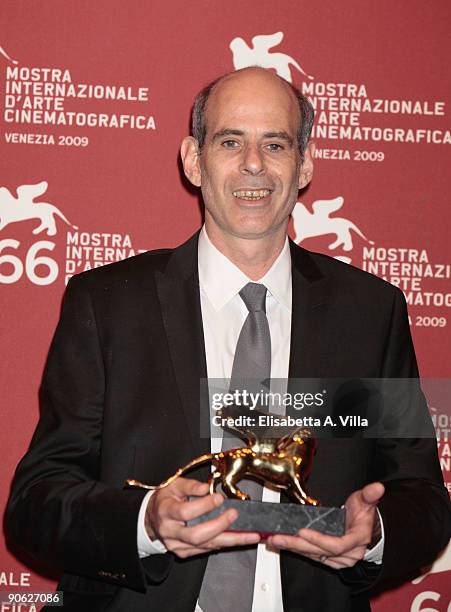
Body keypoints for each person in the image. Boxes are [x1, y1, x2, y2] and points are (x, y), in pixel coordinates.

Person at [5, 67, 450, 612]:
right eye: (231, 141)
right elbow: (36, 501)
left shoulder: (370, 313)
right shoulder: (108, 305)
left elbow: (423, 499)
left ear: (305, 163)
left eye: (276, 144)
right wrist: (146, 520)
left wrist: (375, 533)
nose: (254, 164)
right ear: (194, 160)